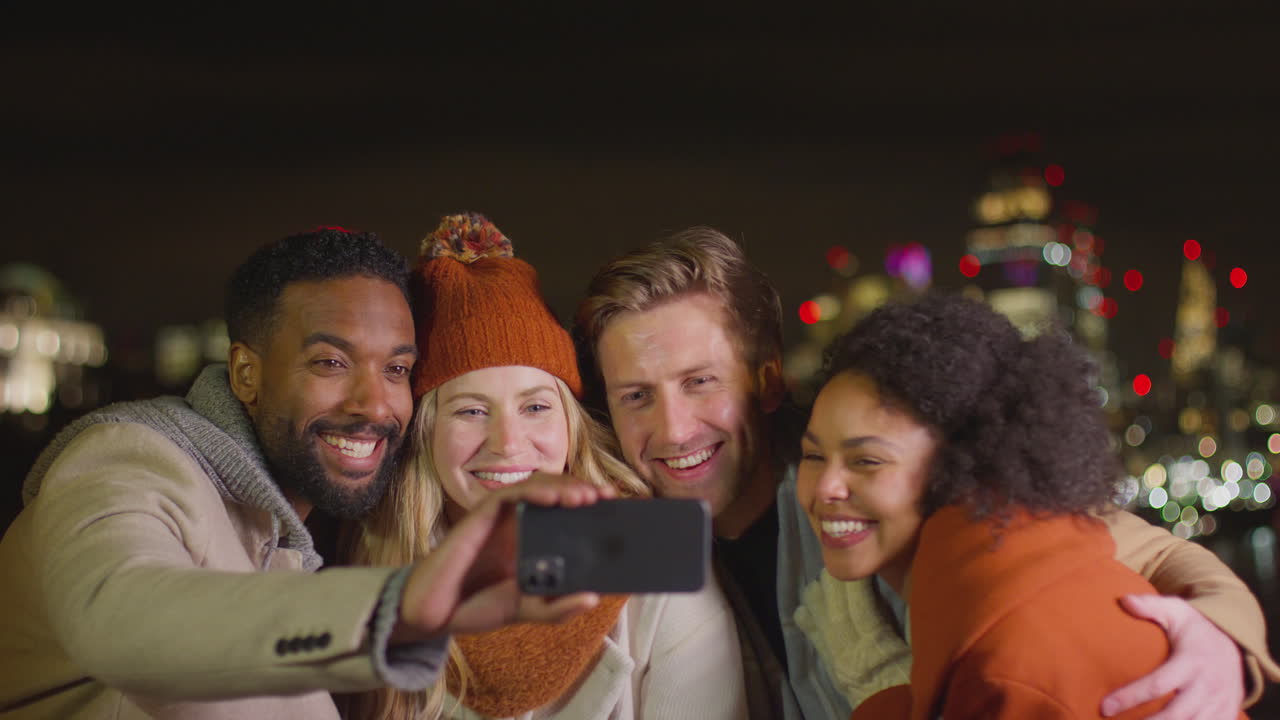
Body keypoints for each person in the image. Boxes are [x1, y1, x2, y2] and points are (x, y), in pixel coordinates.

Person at [573, 226, 1279, 719]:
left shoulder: (880, 492)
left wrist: (1219, 639)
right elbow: (511, 554)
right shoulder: (641, 529)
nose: (672, 429)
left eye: (699, 382)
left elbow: (1153, 550)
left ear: (766, 380)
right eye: (635, 396)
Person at [0, 228, 604, 720]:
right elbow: (121, 621)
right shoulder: (130, 460)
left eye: (396, 369)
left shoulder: (325, 527)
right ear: (246, 374)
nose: (373, 404)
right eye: (331, 362)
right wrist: (397, 609)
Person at [345, 213, 747, 720]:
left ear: (571, 424)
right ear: (426, 431)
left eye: (535, 406)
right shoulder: (367, 571)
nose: (509, 444)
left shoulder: (662, 570)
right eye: (471, 411)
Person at [796, 293, 1243, 718]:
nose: (826, 488)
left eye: (867, 461)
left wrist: (883, 693)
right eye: (813, 456)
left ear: (963, 461)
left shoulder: (1010, 649)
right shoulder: (1014, 549)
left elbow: (1166, 553)